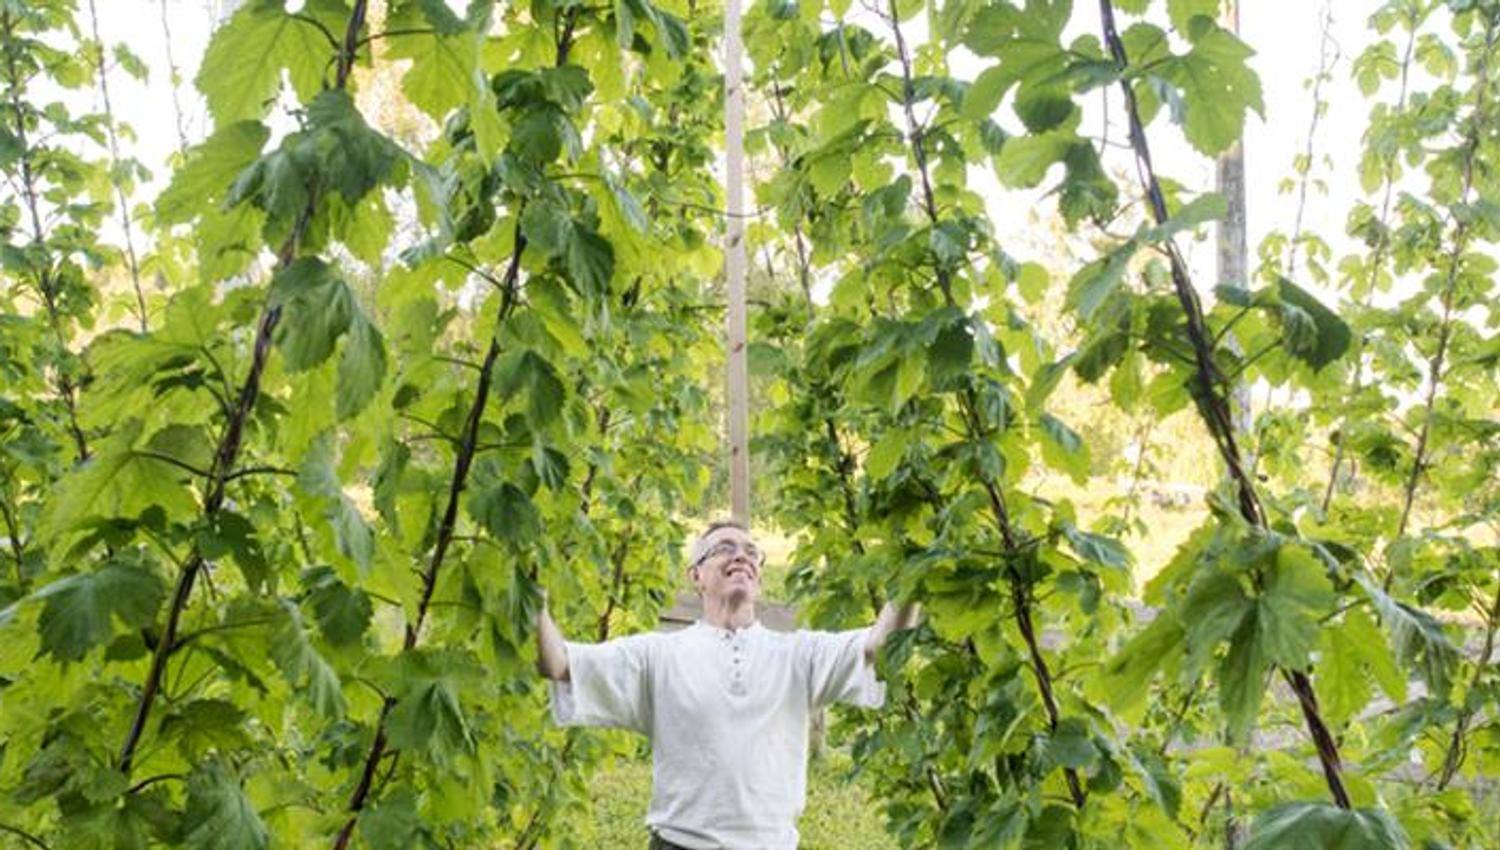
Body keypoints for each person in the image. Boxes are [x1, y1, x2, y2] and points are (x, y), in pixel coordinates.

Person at [535, 518, 920, 850]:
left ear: (759, 576)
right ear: (696, 576)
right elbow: (559, 664)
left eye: (752, 552)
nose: (742, 556)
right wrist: (533, 601)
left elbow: (881, 646)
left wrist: (913, 579)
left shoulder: (798, 654)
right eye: (724, 548)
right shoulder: (658, 656)